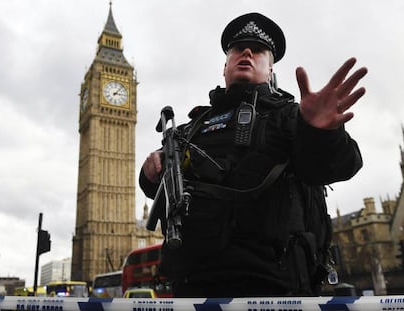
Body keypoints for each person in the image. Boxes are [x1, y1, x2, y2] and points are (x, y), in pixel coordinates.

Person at [140, 12, 367, 297]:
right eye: (237, 49)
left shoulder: (291, 117)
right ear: (225, 67)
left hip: (274, 285)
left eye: (258, 51)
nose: (246, 52)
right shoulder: (192, 127)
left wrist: (321, 132)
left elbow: (338, 166)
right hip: (194, 285)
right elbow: (159, 187)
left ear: (270, 70)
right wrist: (149, 173)